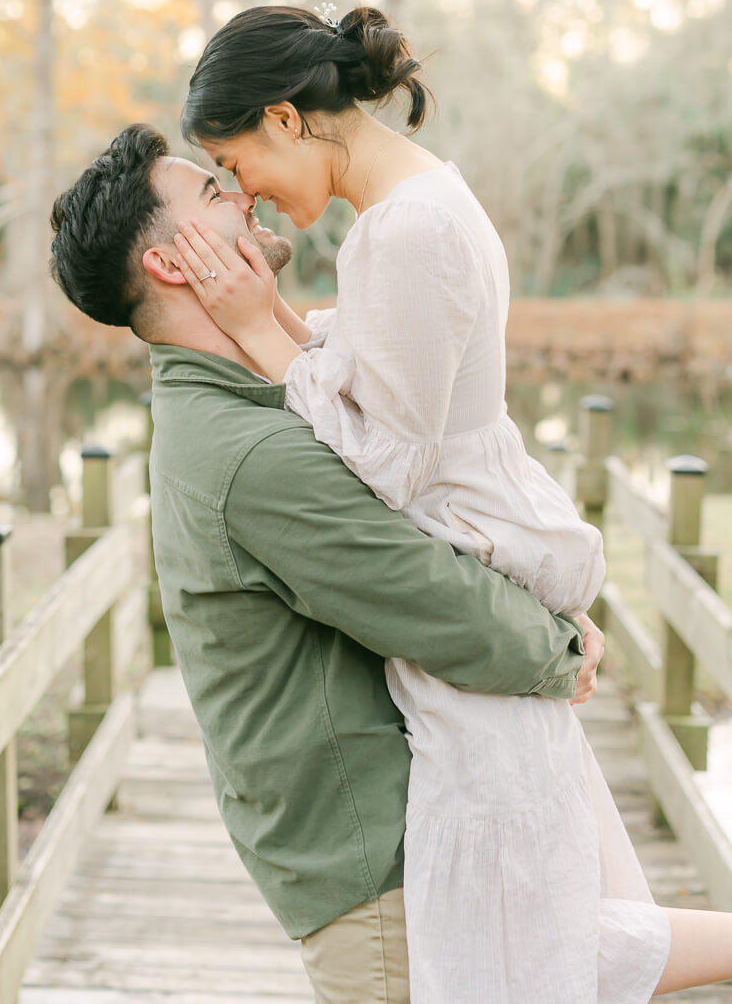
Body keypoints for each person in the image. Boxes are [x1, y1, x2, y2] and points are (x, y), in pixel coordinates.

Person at [174, 4, 732, 1002]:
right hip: (476, 557)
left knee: (512, 944)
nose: (243, 192)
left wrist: (259, 331)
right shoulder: (416, 213)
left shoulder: (406, 233)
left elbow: (381, 463)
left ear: (285, 120)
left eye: (234, 159)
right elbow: (381, 381)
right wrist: (280, 324)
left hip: (467, 568)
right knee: (529, 929)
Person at [49, 122, 603, 1003]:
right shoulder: (244, 453)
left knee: (607, 958)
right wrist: (560, 647)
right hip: (376, 885)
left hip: (399, 855)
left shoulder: (247, 402)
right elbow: (433, 597)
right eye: (211, 191)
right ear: (170, 262)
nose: (244, 193)